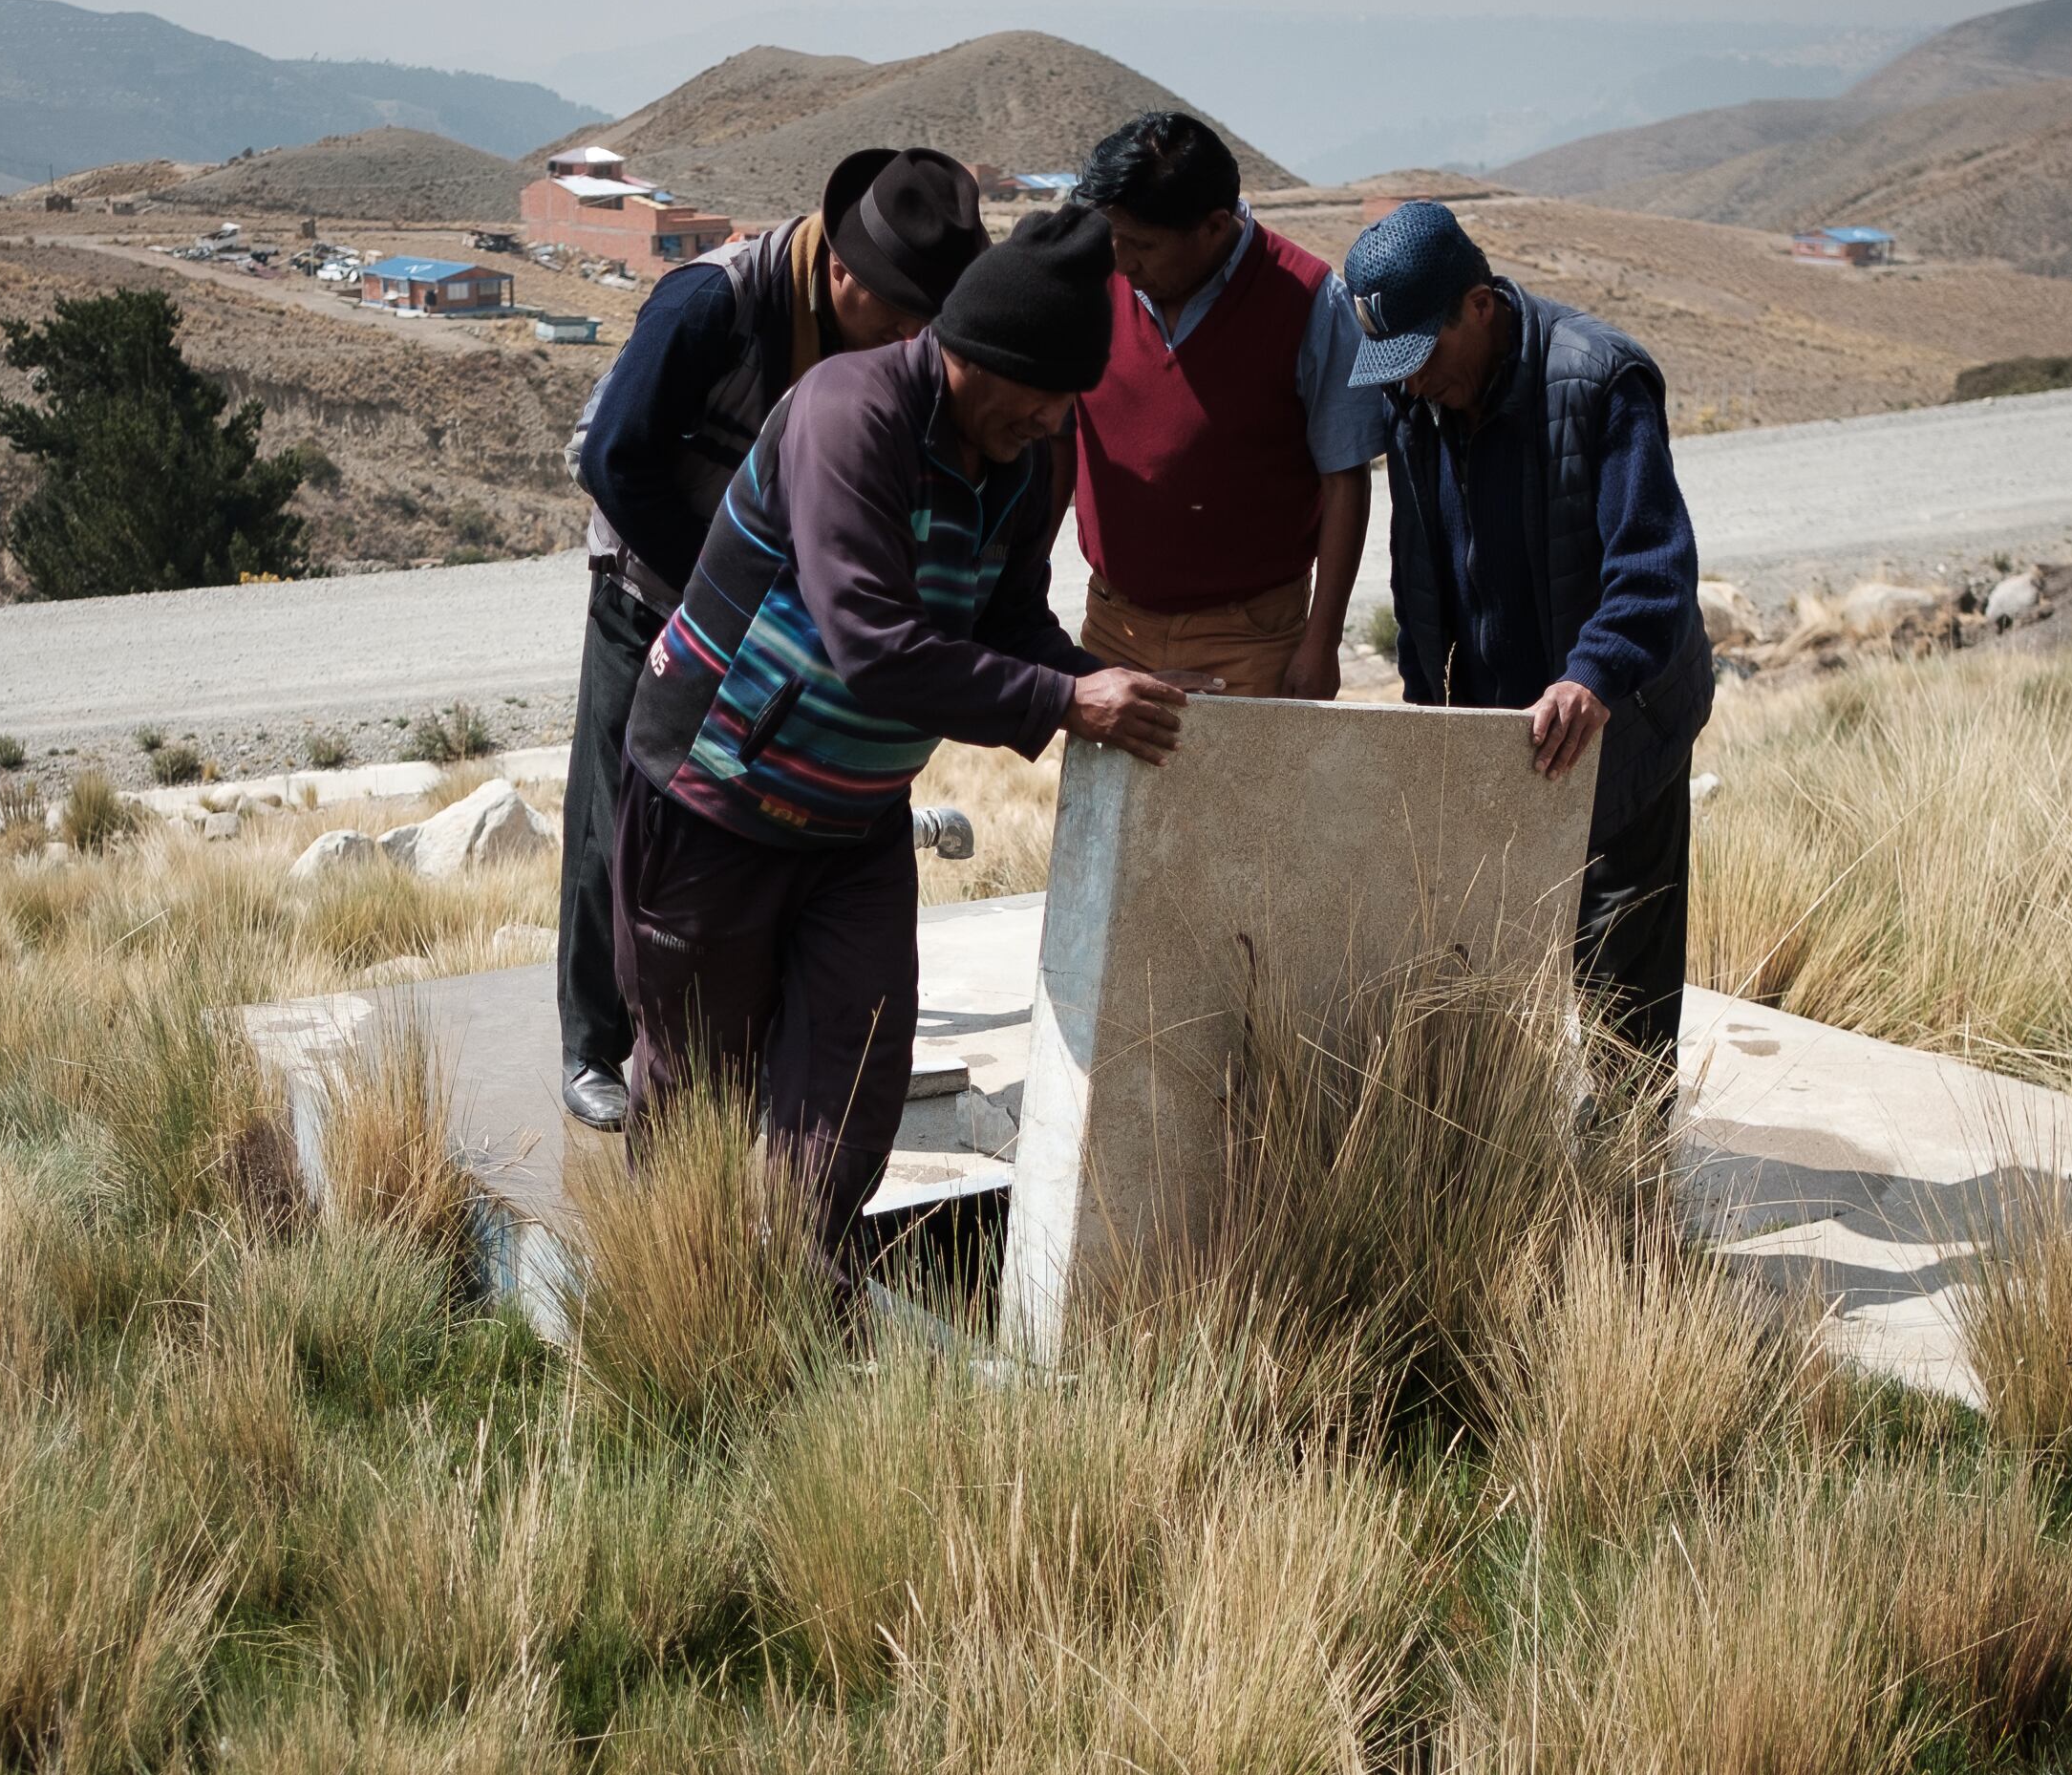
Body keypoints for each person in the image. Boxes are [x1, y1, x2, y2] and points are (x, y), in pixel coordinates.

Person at [617, 207, 1188, 1268]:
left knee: (855, 1065)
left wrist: (1098, 684)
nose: (1059, 421)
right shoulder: (850, 413)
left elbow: (1008, 621)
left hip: (853, 817)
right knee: (700, 1079)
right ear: (976, 356)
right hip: (715, 794)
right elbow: (872, 643)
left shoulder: (1025, 455)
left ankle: (798, 1292)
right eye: (1047, 395)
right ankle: (672, 1304)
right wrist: (1064, 706)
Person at [553, 146, 989, 1134]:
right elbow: (612, 459)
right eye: (901, 312)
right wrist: (721, 589)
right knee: (617, 816)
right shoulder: (709, 304)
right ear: (840, 270)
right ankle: (593, 1044)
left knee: (749, 833)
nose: (914, 336)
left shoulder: (878, 339)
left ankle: (727, 1036)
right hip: (655, 598)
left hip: (788, 636)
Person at [1336, 200, 1716, 1072]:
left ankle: (1623, 1189)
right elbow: (1420, 578)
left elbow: (1655, 570)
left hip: (1619, 726)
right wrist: (1426, 704)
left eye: (1423, 354)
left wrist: (1592, 677)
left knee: (1621, 975)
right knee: (1485, 969)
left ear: (1479, 304)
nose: (1413, 382)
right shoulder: (1417, 399)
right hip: (1493, 737)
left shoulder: (1602, 379)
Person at [1067, 111, 1374, 700]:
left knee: (1243, 795)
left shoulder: (1308, 300)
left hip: (1251, 639)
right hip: (1113, 624)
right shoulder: (1094, 277)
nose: (1123, 261)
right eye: (1114, 236)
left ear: (1212, 227)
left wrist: (1320, 644)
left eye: (1142, 245)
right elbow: (1057, 436)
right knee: (1112, 797)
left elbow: (1346, 480)